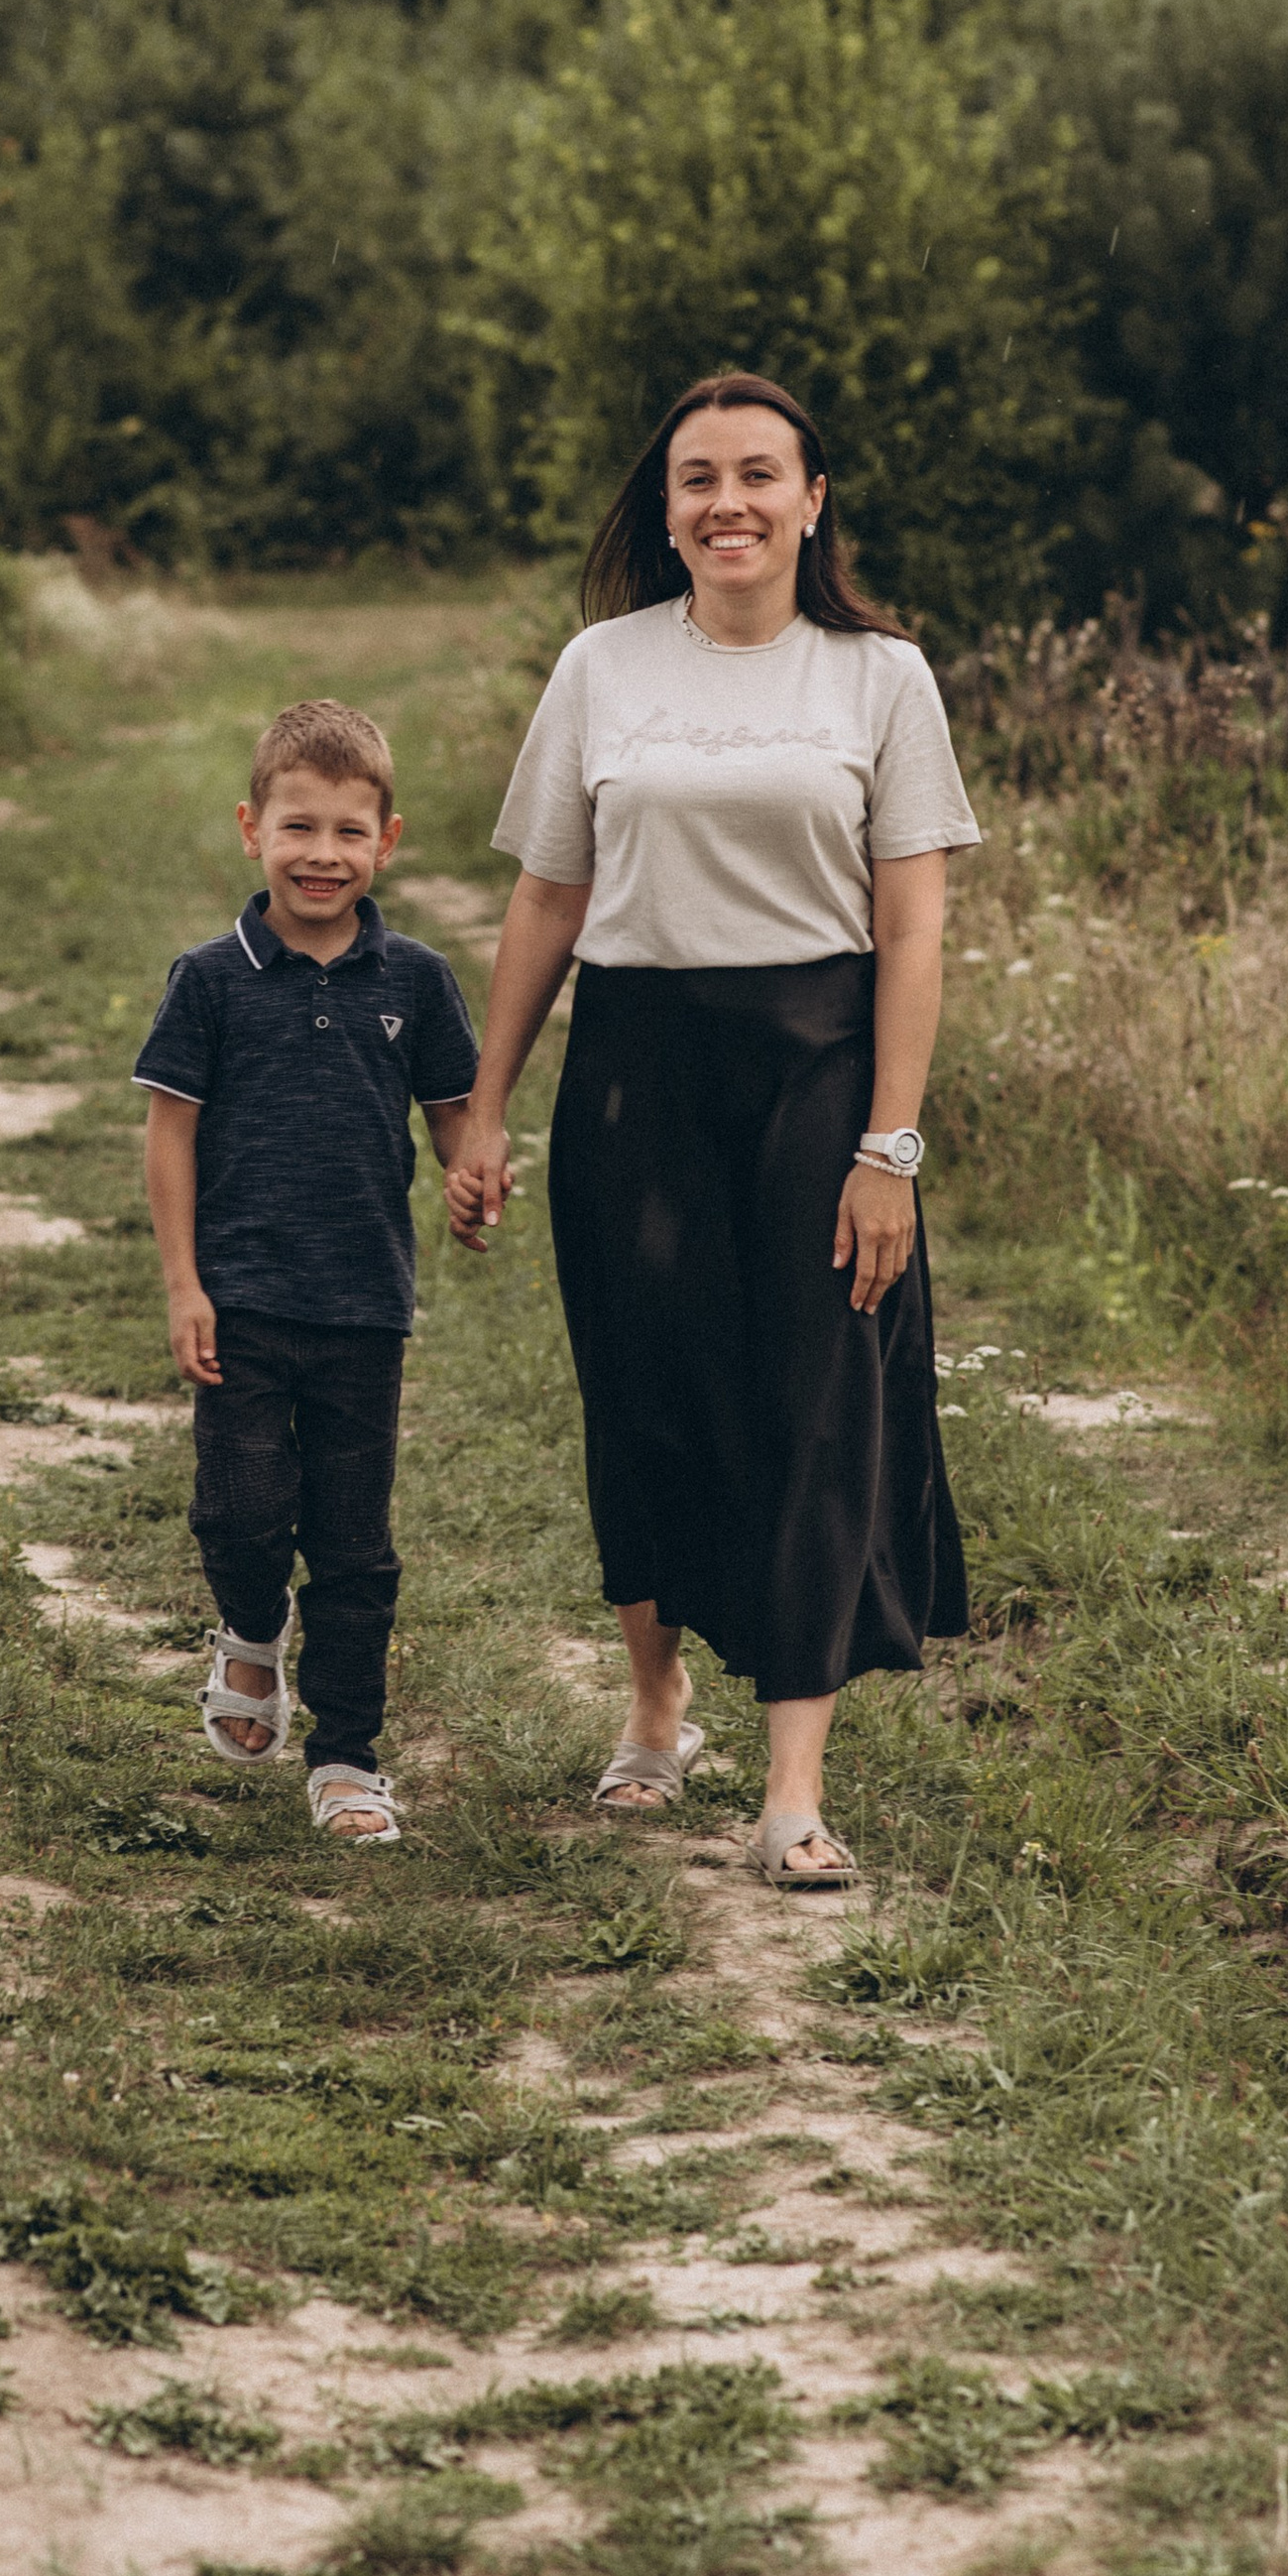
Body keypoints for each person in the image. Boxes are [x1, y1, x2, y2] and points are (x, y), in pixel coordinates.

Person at [446, 374, 978, 1890]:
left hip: (818, 1064)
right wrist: (487, 1103)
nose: (728, 502)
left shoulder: (881, 680)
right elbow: (550, 895)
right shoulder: (601, 670)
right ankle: (655, 1705)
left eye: (760, 474)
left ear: (815, 502)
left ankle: (794, 1791)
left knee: (817, 1398)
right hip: (637, 1062)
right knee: (649, 1383)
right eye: (698, 479)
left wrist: (893, 1145)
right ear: (663, 510)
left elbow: (914, 931)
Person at [136, 700, 479, 1845]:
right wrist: (185, 1282)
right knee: (240, 1507)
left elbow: (452, 1113)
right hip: (239, 1296)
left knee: (352, 1540)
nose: (320, 854)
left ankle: (346, 1753)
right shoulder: (209, 979)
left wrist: (472, 1175)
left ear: (388, 841)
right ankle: (246, 1630)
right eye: (297, 827)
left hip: (364, 1301)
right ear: (251, 828)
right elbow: (169, 1132)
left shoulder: (416, 980)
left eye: (346, 831)